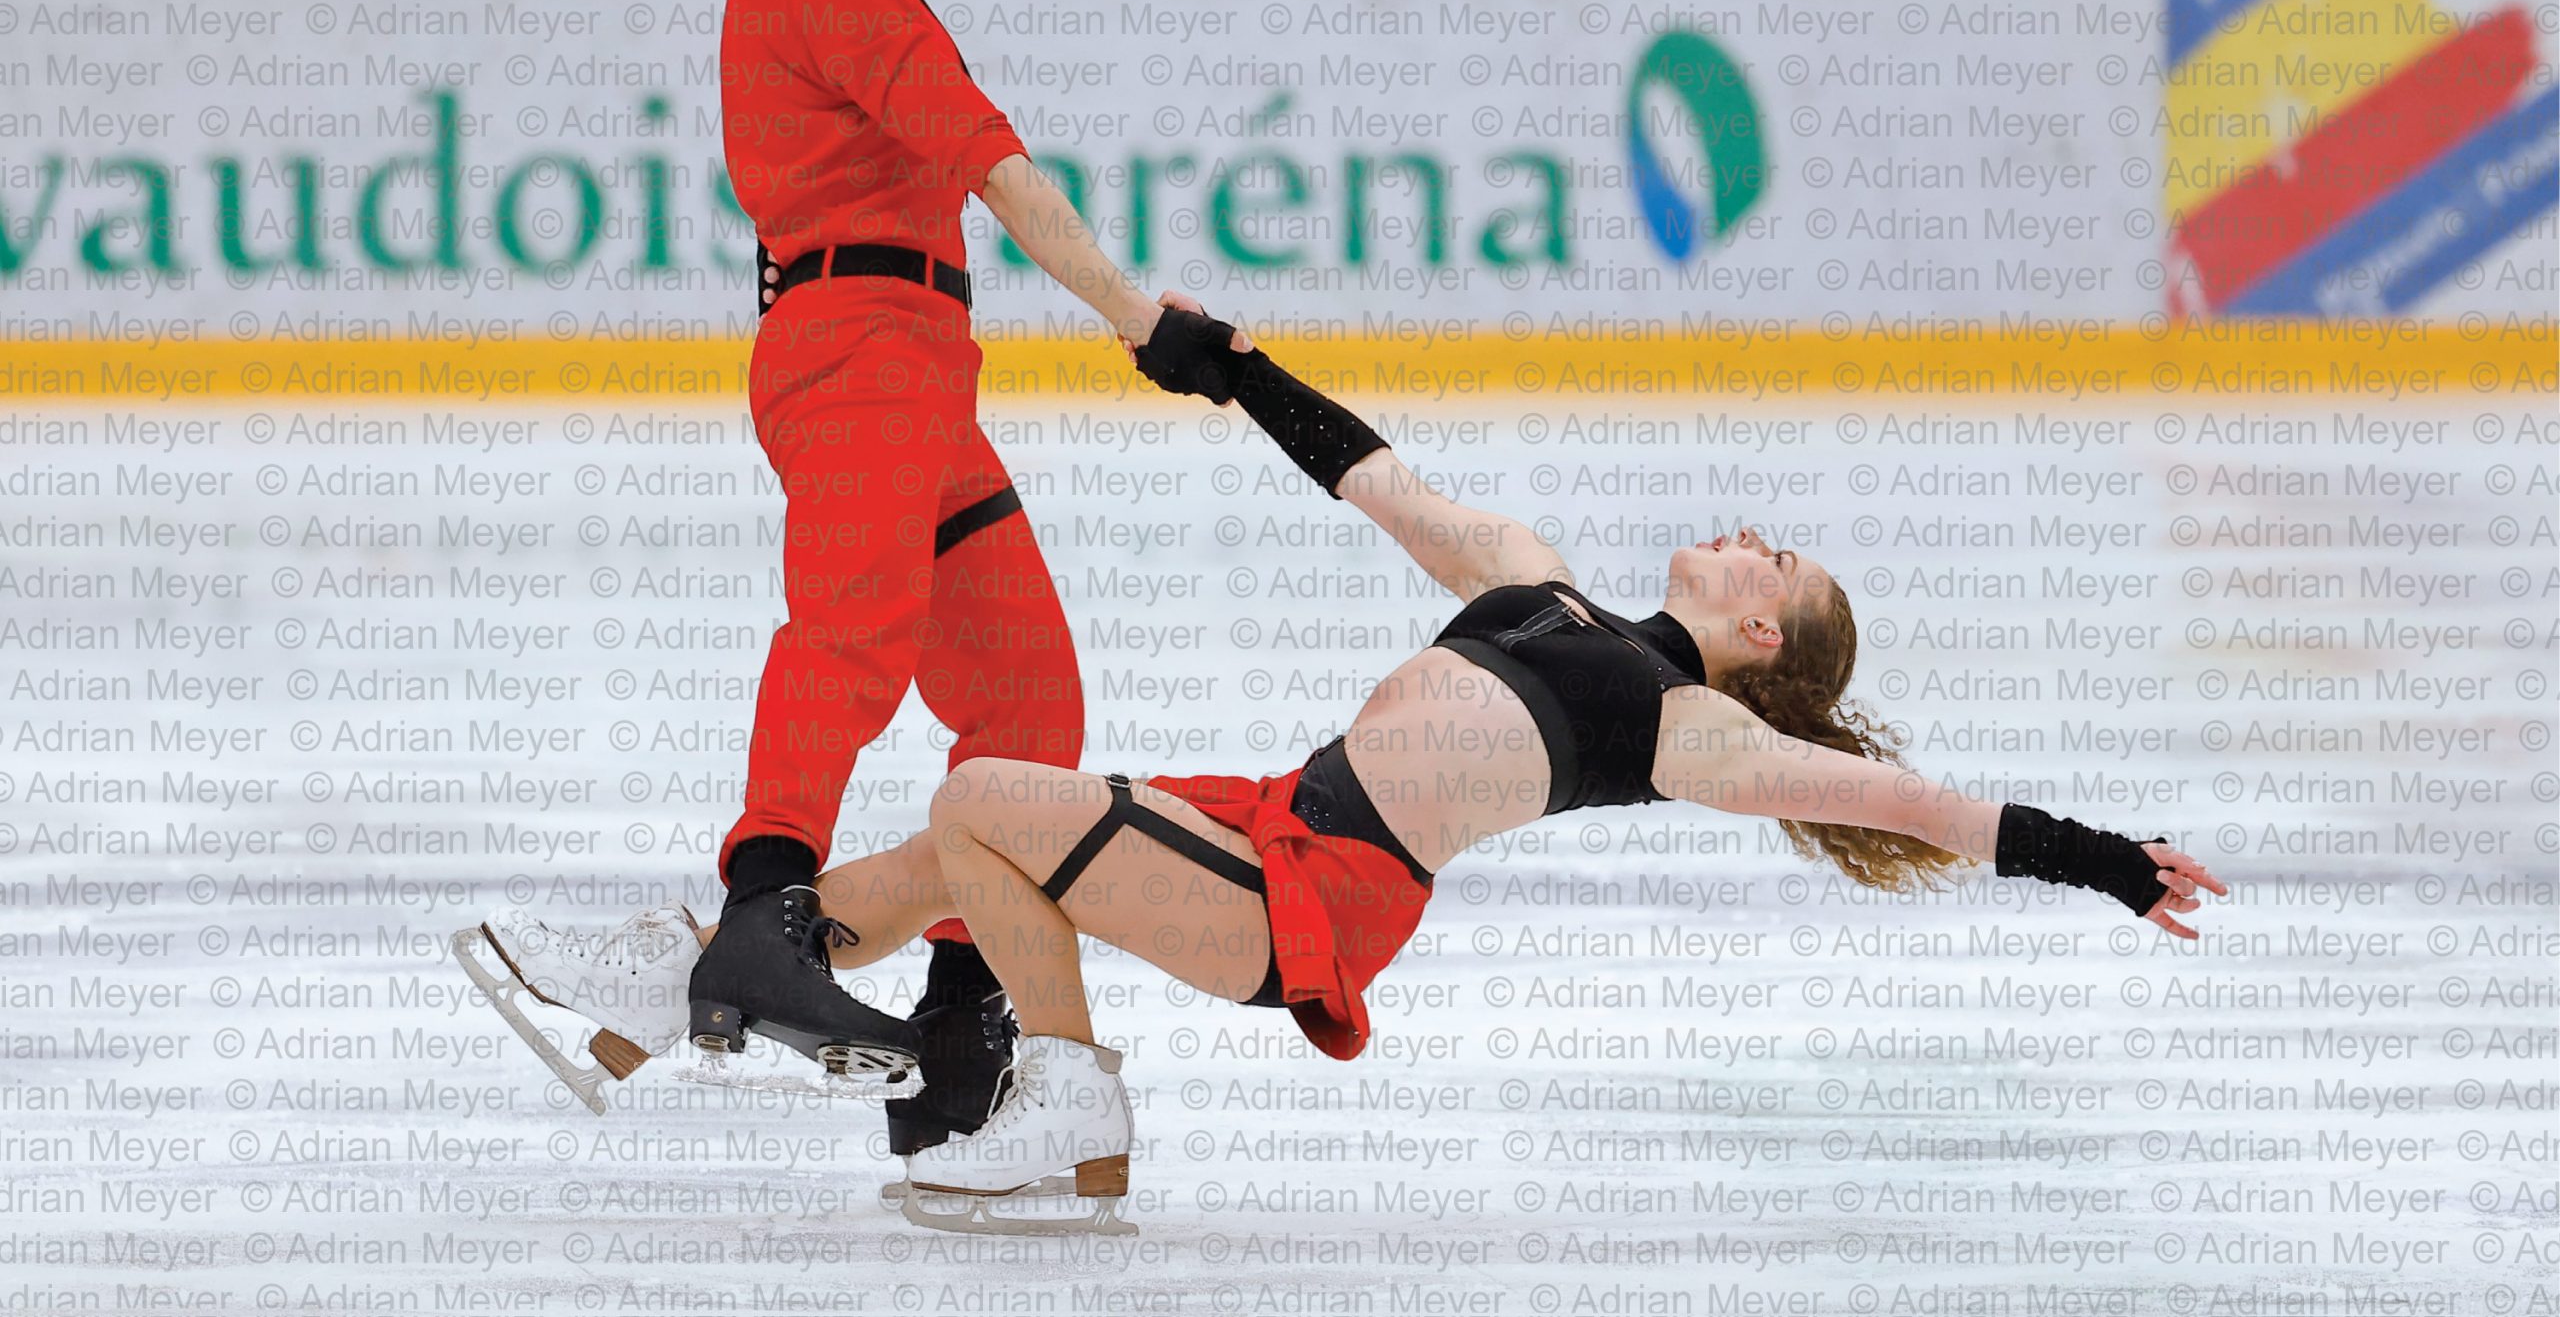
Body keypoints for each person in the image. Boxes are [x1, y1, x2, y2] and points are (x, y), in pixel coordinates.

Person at [469, 298, 2229, 1235]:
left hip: (1314, 901)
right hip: (1267, 821)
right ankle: (655, 990)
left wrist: (2113, 861)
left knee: (989, 791)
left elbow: (1927, 811)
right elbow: (1376, 475)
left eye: (1783, 565)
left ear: (1768, 643)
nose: (1755, 540)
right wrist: (1234, 370)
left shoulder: (1685, 729)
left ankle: (1071, 1093)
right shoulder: (1538, 581)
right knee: (959, 854)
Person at [454, 0, 1250, 1151]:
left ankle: (957, 1024)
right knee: (857, 629)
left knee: (1026, 708)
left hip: (911, 359)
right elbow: (1004, 177)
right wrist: (1151, 322)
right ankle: (764, 912)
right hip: (861, 346)